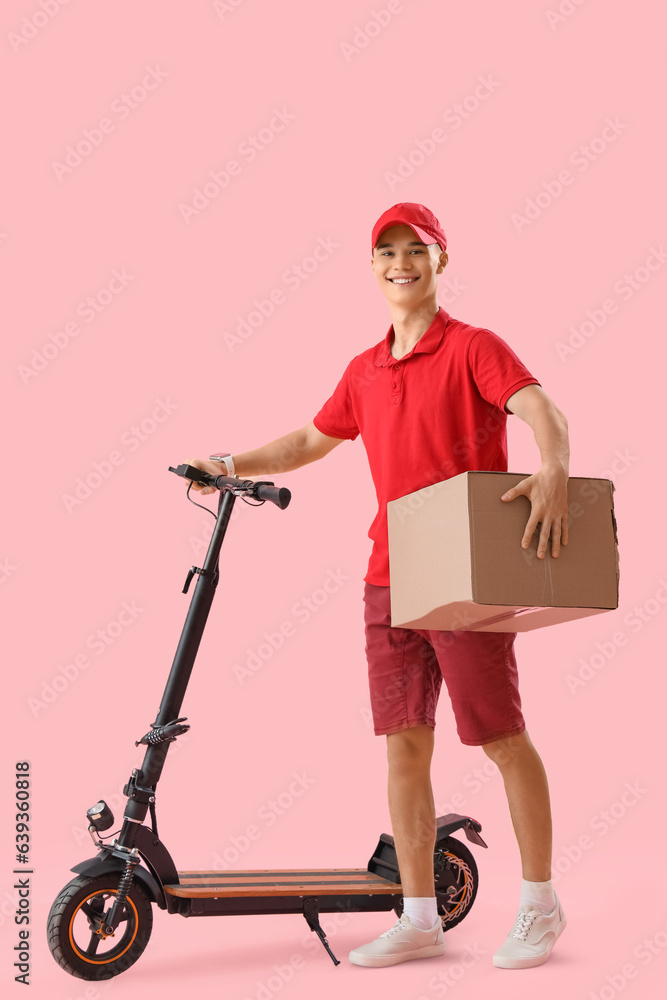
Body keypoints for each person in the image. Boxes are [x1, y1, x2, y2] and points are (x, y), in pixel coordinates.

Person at [185, 202, 569, 970]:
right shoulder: (363, 369)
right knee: (403, 744)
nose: (401, 262)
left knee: (499, 736)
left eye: (416, 250)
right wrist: (230, 466)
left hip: (462, 570)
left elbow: (539, 409)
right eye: (386, 251)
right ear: (371, 266)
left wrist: (553, 469)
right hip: (386, 577)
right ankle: (419, 914)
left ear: (440, 261)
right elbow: (306, 441)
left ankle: (540, 904)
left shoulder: (473, 347)